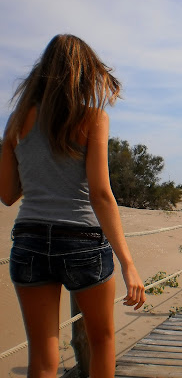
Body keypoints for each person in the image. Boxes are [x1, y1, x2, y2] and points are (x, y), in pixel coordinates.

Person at [0, 34, 146, 378]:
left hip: (30, 241)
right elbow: (100, 194)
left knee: (42, 355)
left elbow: (7, 194)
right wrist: (128, 264)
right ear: (83, 75)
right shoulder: (93, 119)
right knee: (102, 341)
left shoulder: (16, 122)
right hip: (82, 243)